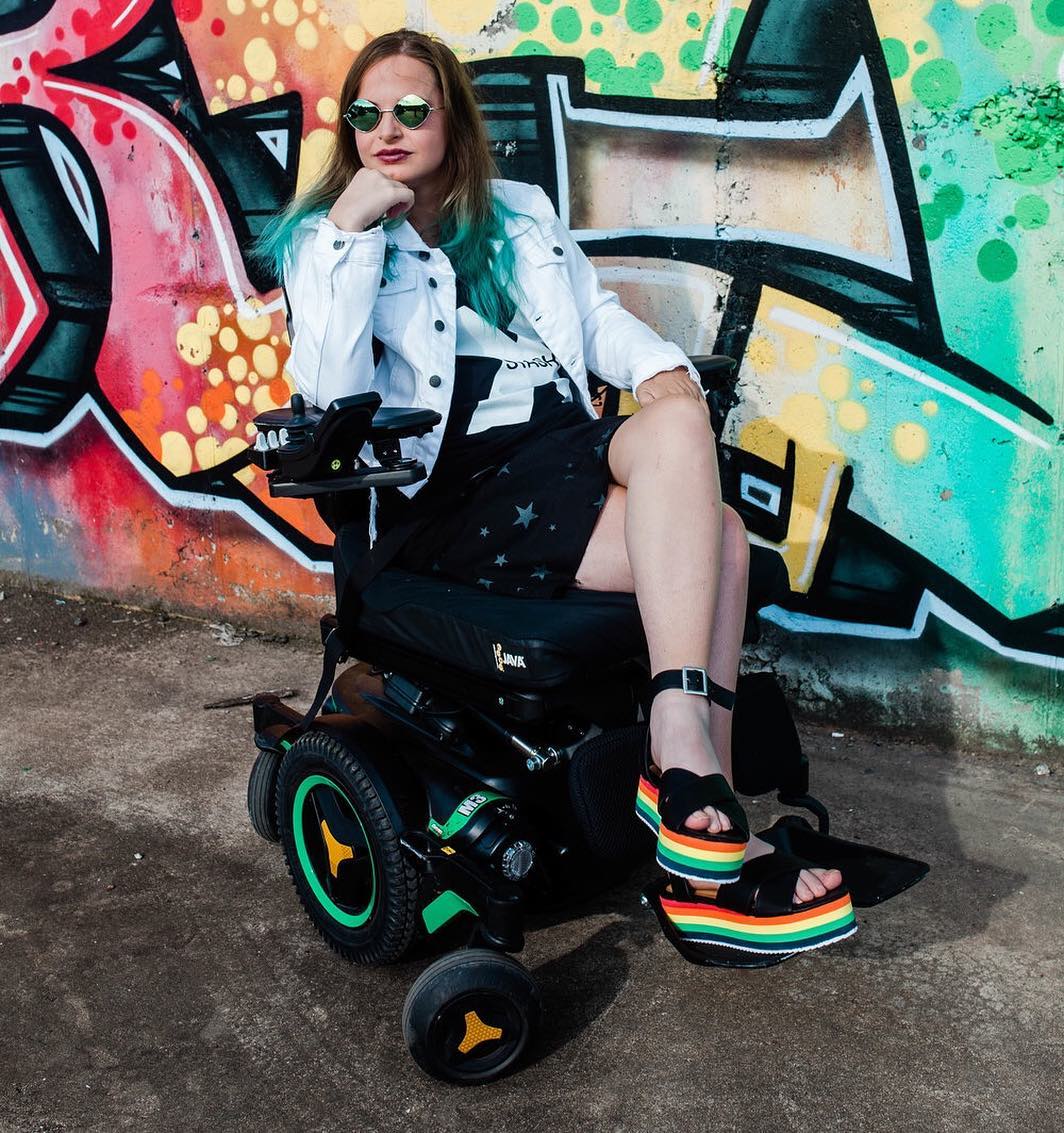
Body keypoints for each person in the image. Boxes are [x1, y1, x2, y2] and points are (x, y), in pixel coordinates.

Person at [259, 28, 855, 963]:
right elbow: (329, 396)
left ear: (451, 119)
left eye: (412, 109)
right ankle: (699, 815)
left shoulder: (521, 212)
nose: (388, 129)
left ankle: (695, 810)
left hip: (553, 456)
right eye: (366, 114)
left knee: (700, 474)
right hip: (444, 493)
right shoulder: (325, 243)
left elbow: (592, 320)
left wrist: (660, 372)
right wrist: (352, 233)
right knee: (726, 540)